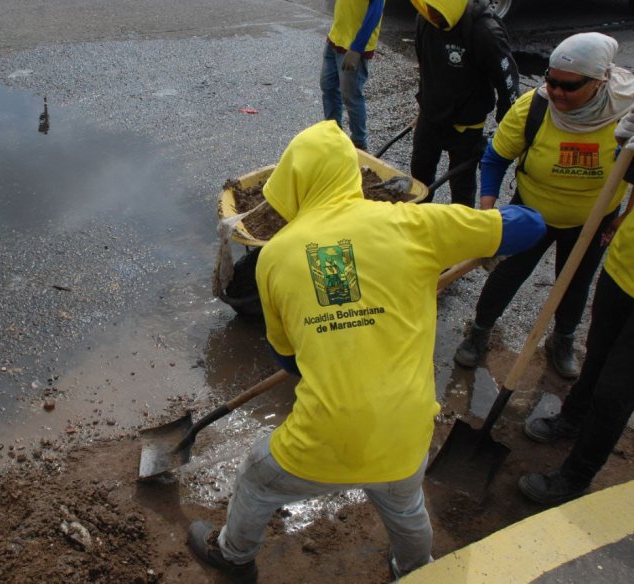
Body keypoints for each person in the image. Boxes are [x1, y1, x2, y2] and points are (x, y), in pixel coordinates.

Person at [186, 120, 546, 581]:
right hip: (408, 428)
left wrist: (335, 336)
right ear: (351, 176)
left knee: (257, 477)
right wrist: (487, 238)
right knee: (405, 501)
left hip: (326, 436)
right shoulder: (415, 224)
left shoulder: (275, 256)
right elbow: (530, 226)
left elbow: (287, 360)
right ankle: (414, 570)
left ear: (294, 182)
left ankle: (233, 557)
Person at [454, 32, 634, 379]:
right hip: (531, 213)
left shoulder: (625, 114)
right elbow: (494, 159)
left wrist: (623, 217)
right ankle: (479, 331)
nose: (556, 92)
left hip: (592, 219)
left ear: (599, 82)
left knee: (575, 282)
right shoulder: (534, 108)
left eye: (569, 86)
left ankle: (561, 340)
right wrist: (489, 214)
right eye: (551, 81)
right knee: (507, 274)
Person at [518, 107, 634, 505]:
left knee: (617, 389)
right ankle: (571, 419)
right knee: (597, 358)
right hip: (624, 268)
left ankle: (576, 474)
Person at [409, 0, 520, 207]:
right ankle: (419, 220)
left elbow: (509, 87)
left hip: (467, 124)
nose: (431, 14)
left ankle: (460, 227)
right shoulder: (425, 19)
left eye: (436, 10)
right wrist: (422, 103)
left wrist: (503, 134)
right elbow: (425, 67)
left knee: (461, 186)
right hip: (430, 116)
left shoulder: (485, 32)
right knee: (419, 176)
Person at [320, 0, 385, 151]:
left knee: (351, 97)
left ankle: (359, 144)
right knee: (328, 88)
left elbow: (376, 10)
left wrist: (357, 48)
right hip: (336, 37)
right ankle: (333, 135)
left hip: (354, 47)